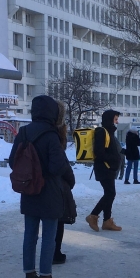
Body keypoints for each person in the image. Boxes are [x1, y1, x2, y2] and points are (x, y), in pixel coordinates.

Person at [10, 95, 69, 278]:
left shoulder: (23, 132)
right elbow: (58, 165)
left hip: (28, 190)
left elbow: (13, 161)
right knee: (49, 235)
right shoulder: (51, 135)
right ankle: (45, 277)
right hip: (49, 191)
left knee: (30, 234)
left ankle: (29, 276)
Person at [86, 110, 122, 231]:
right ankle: (93, 215)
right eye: (115, 119)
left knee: (110, 193)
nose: (117, 122)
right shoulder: (102, 131)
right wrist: (113, 159)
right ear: (110, 119)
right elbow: (99, 152)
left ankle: (107, 221)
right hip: (104, 167)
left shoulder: (109, 132)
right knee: (110, 193)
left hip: (108, 167)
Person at [53, 100, 75, 265]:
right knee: (56, 221)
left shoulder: (28, 132)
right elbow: (62, 163)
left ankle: (30, 269)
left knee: (33, 227)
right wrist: (70, 180)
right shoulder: (55, 135)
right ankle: (54, 254)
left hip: (31, 186)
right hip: (56, 185)